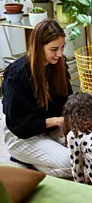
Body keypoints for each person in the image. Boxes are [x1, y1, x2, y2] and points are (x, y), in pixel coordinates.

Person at [1, 19, 73, 178]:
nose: (60, 54)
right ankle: (27, 160)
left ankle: (41, 159)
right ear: (38, 47)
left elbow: (67, 100)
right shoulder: (17, 74)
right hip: (21, 134)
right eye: (54, 49)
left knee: (87, 153)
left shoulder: (58, 64)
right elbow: (16, 123)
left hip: (52, 128)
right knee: (72, 165)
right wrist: (55, 121)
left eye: (62, 47)